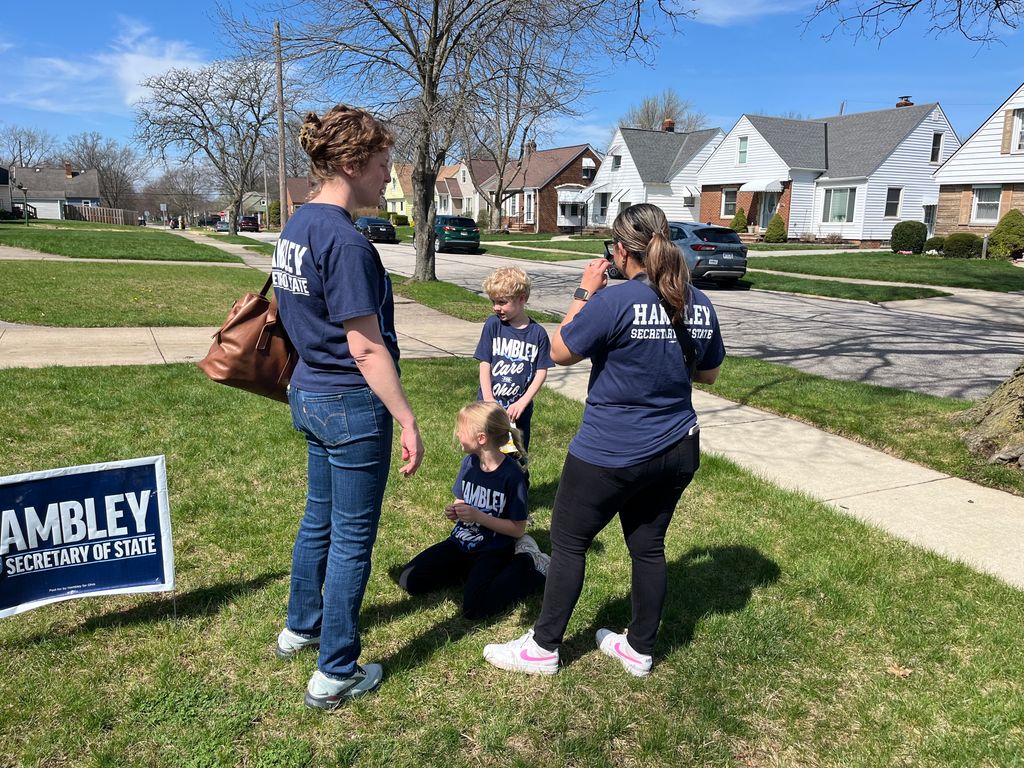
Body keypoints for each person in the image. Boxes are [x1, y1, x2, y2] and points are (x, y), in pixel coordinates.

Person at [482, 203, 724, 678]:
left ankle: (544, 648)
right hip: (678, 447)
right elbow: (710, 373)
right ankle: (639, 648)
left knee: (569, 543)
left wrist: (584, 292)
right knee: (648, 546)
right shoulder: (695, 299)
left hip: (612, 450)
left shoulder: (615, 300)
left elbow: (558, 349)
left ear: (619, 250)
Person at [271, 104, 424, 710]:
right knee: (352, 536)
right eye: (384, 166)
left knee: (319, 520)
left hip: (308, 393)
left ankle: (299, 626)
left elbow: (293, 311)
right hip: (349, 404)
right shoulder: (345, 240)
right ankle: (335, 669)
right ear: (354, 165)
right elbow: (365, 346)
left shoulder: (296, 226)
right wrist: (407, 416)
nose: (389, 178)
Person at [397, 401, 548, 618]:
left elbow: (518, 529)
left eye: (461, 430)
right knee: (409, 580)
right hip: (461, 543)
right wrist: (456, 510)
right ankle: (469, 574)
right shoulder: (469, 463)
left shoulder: (512, 476)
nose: (457, 434)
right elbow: (461, 499)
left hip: (494, 548)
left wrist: (479, 517)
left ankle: (528, 563)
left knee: (475, 608)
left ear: (481, 439)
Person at [474, 267, 552, 451]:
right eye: (493, 302)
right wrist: (488, 398)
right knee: (485, 452)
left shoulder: (538, 334)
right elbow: (485, 363)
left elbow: (541, 371)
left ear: (522, 298)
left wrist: (523, 402)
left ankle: (517, 481)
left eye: (502, 302)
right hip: (488, 407)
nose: (496, 307)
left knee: (517, 455)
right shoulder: (493, 325)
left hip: (518, 410)